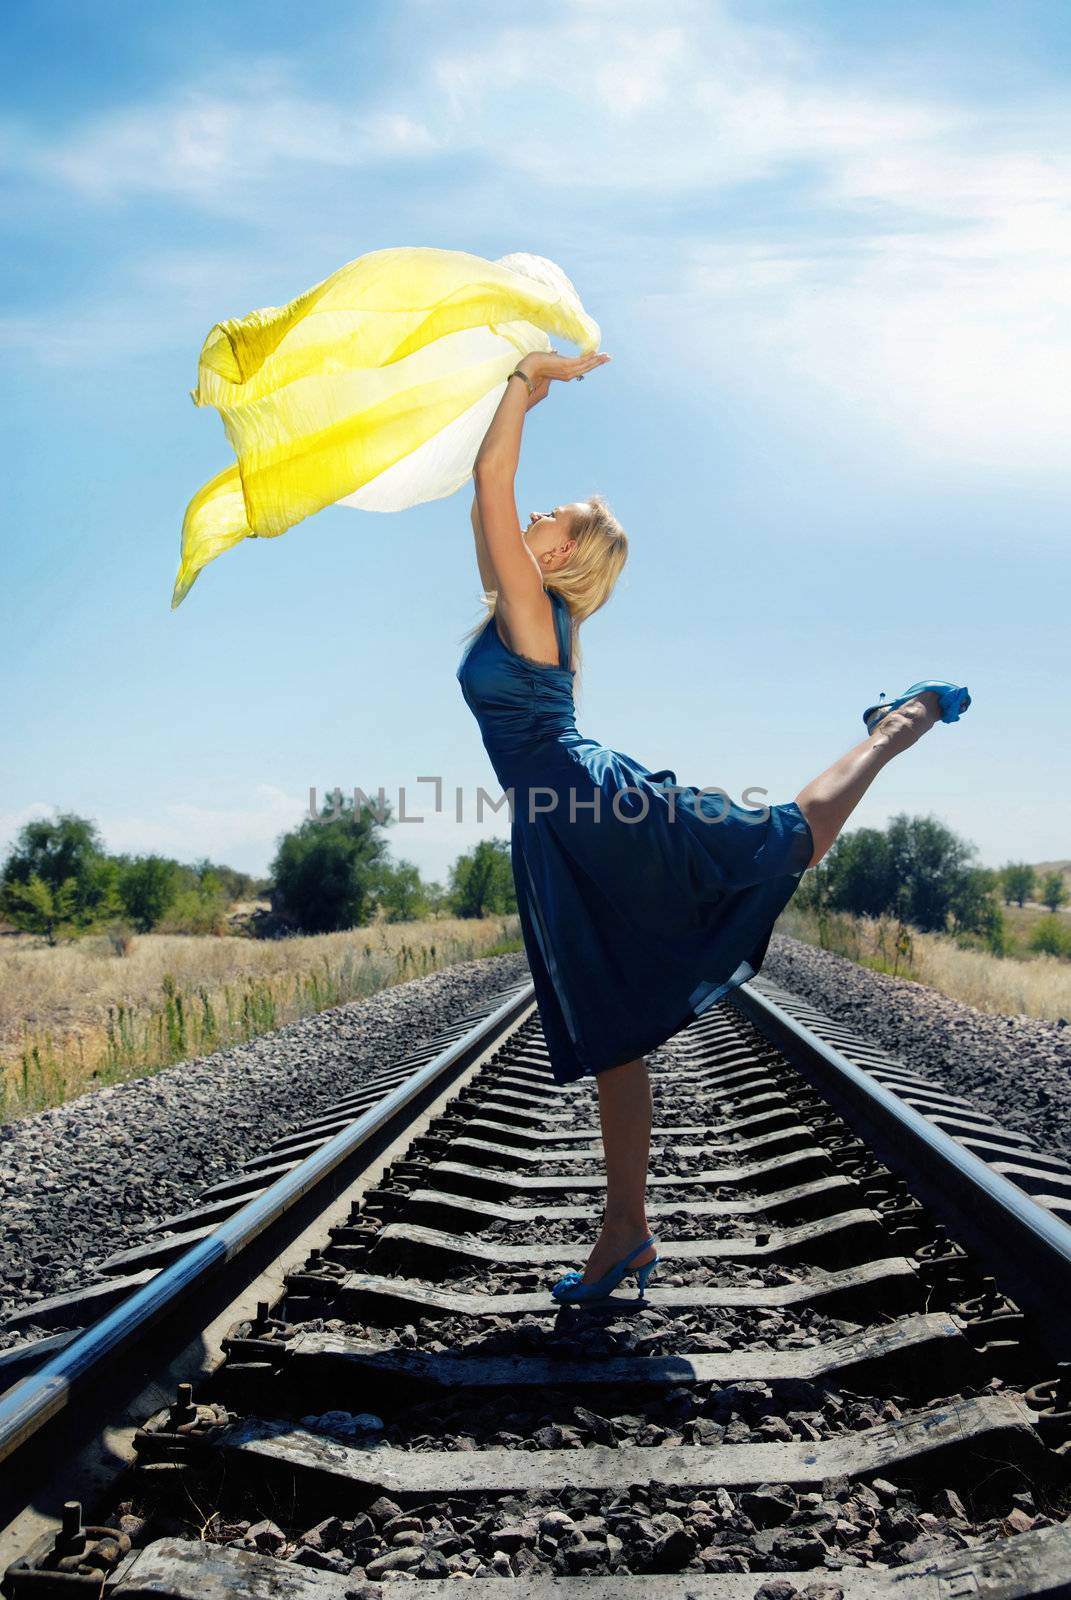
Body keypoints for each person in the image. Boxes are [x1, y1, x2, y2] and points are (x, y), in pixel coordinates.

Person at [456, 348, 970, 1305]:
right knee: (611, 1029)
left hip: (589, 805)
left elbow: (491, 479)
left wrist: (528, 382)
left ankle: (896, 726)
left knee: (782, 838)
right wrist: (524, 391)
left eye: (546, 517)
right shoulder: (517, 604)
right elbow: (485, 501)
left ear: (561, 553)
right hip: (554, 831)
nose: (528, 519)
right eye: (537, 513)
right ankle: (626, 1235)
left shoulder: (534, 610)